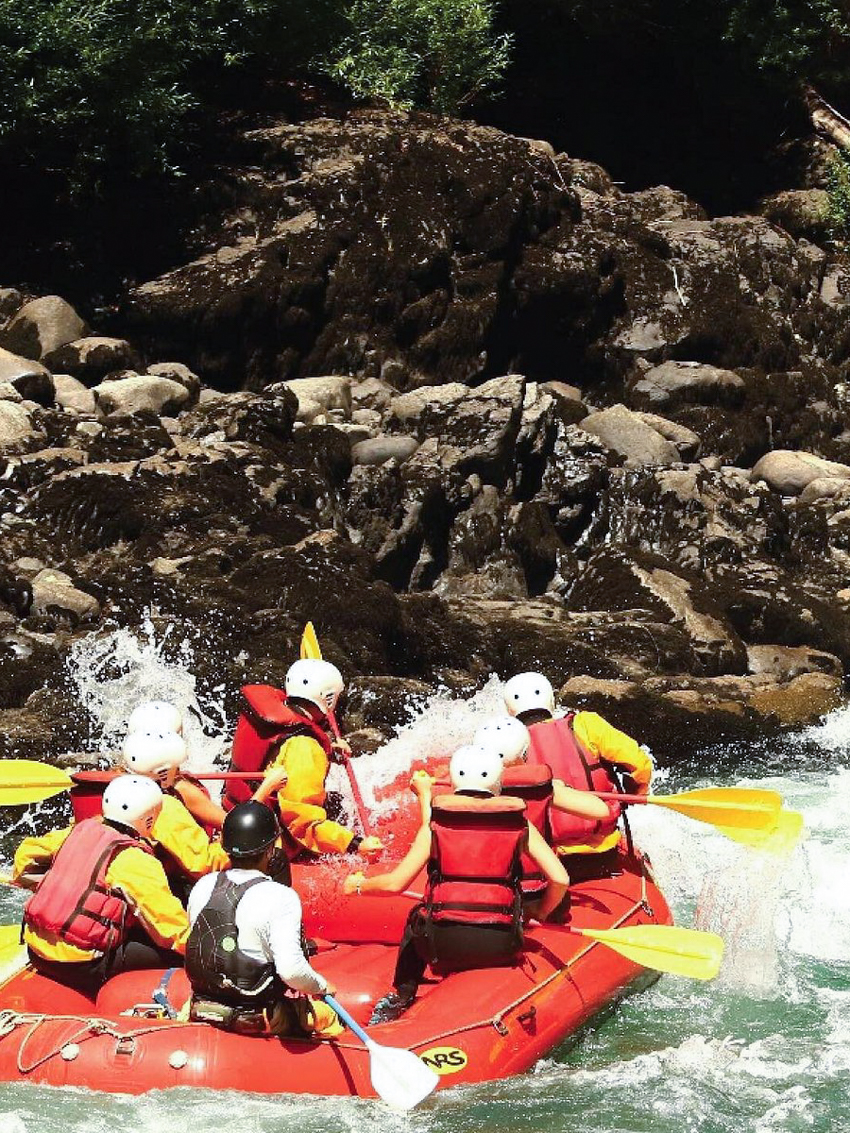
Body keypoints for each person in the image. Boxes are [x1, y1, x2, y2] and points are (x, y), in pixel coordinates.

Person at [344, 745, 569, 1024]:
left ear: (453, 781)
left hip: (442, 946)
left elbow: (394, 885)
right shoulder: (520, 825)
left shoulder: (435, 827)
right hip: (501, 945)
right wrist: (541, 912)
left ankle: (402, 995)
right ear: (498, 781)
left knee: (416, 917)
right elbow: (560, 879)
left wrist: (359, 885)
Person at [13, 775, 190, 995]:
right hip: (82, 964)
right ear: (149, 819)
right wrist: (206, 952)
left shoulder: (75, 832)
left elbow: (24, 858)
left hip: (35, 951)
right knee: (175, 954)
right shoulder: (135, 859)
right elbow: (170, 930)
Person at [185, 801, 342, 1037]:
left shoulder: (203, 886)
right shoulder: (281, 896)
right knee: (329, 1017)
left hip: (201, 1007)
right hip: (255, 1016)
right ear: (270, 850)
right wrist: (320, 986)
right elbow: (291, 971)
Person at [503, 672, 654, 882]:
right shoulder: (586, 724)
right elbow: (640, 764)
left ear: (509, 710)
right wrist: (634, 794)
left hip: (541, 864)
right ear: (551, 700)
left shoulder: (504, 746)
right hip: (602, 855)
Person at [227, 658, 383, 859]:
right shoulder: (305, 746)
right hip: (269, 840)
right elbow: (303, 822)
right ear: (327, 698)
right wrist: (355, 844)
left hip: (236, 814)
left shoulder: (272, 716)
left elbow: (281, 753)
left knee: (335, 802)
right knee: (339, 808)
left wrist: (329, 751)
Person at [474, 715, 611, 916]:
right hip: (534, 895)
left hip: (486, 895)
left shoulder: (463, 793)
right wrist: (557, 788)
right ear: (524, 754)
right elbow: (601, 811)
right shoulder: (539, 787)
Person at [121, 731, 230, 900]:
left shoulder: (119, 787)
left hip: (139, 883)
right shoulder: (163, 805)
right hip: (168, 889)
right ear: (163, 771)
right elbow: (205, 865)